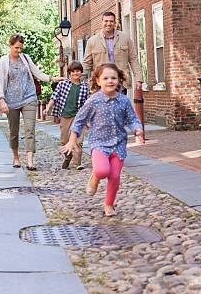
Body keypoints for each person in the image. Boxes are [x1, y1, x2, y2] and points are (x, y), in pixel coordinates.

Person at [60, 63, 144, 217]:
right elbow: (79, 120)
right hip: (99, 144)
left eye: (113, 78)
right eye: (105, 78)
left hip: (118, 144)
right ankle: (95, 177)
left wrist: (137, 129)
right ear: (98, 81)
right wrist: (72, 140)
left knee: (115, 176)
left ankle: (109, 204)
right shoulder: (94, 101)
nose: (110, 81)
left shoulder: (124, 101)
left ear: (119, 80)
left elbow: (132, 118)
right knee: (102, 170)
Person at [0, 34, 62, 170]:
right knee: (14, 132)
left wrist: (52, 78)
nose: (19, 51)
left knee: (30, 129)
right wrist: (1, 99)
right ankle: (16, 157)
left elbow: (37, 73)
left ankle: (30, 161)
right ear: (10, 45)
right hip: (11, 101)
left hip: (29, 98)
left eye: (21, 48)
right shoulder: (3, 62)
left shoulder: (25, 58)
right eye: (16, 48)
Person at [81, 11, 143, 94]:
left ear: (115, 23)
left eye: (111, 21)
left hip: (120, 82)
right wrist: (78, 81)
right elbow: (86, 63)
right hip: (101, 83)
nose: (108, 23)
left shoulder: (125, 38)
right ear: (102, 22)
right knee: (102, 107)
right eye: (106, 21)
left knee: (120, 106)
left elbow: (133, 59)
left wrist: (138, 79)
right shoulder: (92, 41)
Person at [43, 61, 90, 170]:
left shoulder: (84, 87)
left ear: (81, 72)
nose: (75, 73)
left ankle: (77, 163)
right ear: (69, 73)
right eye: (73, 71)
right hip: (65, 116)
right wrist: (48, 108)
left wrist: (88, 120)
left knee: (78, 141)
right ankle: (68, 157)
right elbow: (54, 97)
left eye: (78, 71)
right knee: (65, 140)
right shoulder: (63, 84)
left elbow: (88, 104)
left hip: (79, 117)